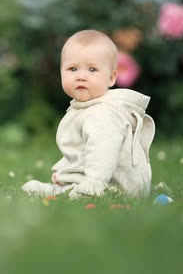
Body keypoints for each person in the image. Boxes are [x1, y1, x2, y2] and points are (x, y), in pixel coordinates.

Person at [21, 30, 155, 199]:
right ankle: (68, 182)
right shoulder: (87, 108)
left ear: (111, 78)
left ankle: (71, 189)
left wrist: (91, 187)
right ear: (61, 72)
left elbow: (102, 154)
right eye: (72, 68)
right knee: (68, 187)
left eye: (92, 69)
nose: (81, 76)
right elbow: (81, 149)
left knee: (70, 195)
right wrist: (65, 171)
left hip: (117, 188)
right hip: (110, 182)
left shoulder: (101, 114)